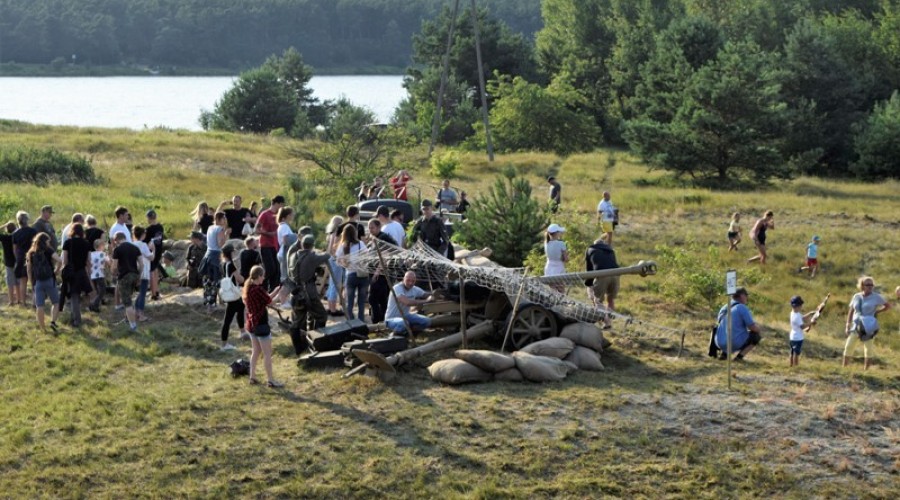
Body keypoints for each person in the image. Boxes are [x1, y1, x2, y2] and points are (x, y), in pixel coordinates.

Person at [243, 265, 283, 388]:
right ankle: (271, 380)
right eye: (263, 276)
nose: (264, 278)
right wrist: (280, 293)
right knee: (267, 353)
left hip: (251, 324)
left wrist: (275, 290)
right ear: (258, 276)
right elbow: (271, 301)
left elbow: (265, 299)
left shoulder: (248, 287)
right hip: (261, 324)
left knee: (255, 351)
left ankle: (252, 377)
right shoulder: (258, 289)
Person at [843, 277, 892, 370]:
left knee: (868, 348)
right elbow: (851, 310)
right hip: (856, 325)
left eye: (871, 285)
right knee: (849, 346)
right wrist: (847, 324)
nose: (870, 287)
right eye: (867, 285)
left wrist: (877, 312)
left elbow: (887, 306)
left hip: (867, 326)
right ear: (862, 286)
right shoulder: (856, 296)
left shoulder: (876, 297)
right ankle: (845, 367)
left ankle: (866, 370)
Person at [287, 234, 331, 333]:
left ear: (302, 245)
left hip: (295, 292)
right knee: (322, 316)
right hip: (308, 292)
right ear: (312, 246)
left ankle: (300, 345)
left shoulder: (293, 255)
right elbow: (327, 256)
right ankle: (316, 338)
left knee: (299, 320)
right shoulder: (311, 256)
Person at [714, 287, 761, 361]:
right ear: (742, 296)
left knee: (729, 332)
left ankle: (724, 354)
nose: (747, 298)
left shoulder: (724, 307)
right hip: (733, 342)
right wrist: (759, 329)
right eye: (746, 295)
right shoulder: (742, 307)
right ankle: (739, 358)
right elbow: (752, 327)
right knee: (756, 336)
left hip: (719, 342)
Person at [26, 233, 61, 331]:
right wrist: (57, 271)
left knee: (39, 305)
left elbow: (28, 269)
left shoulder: (31, 252)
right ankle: (53, 322)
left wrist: (30, 281)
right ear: (45, 241)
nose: (49, 243)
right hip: (50, 279)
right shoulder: (48, 250)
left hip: (38, 282)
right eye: (48, 241)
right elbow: (60, 260)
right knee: (56, 302)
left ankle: (42, 328)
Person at [60, 223, 93, 328]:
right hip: (82, 271)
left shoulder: (67, 243)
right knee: (84, 294)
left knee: (74, 296)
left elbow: (64, 260)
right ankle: (77, 314)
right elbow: (88, 261)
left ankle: (76, 320)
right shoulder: (86, 243)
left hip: (72, 272)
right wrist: (89, 272)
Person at [335, 224, 369, 321]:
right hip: (362, 275)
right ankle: (361, 321)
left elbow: (337, 261)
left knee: (349, 302)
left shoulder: (343, 245)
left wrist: (346, 265)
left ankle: (351, 320)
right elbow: (367, 256)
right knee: (361, 302)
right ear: (354, 233)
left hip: (350, 275)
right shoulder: (360, 244)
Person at [366, 219, 397, 323]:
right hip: (377, 272)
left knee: (373, 298)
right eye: (369, 227)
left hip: (381, 273)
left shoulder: (383, 238)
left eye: (372, 227)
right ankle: (382, 319)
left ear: (379, 227)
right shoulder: (375, 238)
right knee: (381, 298)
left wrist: (377, 271)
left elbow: (385, 255)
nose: (370, 230)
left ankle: (377, 320)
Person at [111, 231, 143, 331]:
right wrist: (139, 276)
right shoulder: (135, 248)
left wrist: (113, 273)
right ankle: (127, 320)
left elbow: (114, 266)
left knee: (127, 303)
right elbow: (141, 264)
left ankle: (133, 327)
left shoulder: (117, 249)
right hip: (134, 275)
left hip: (124, 276)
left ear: (116, 240)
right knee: (129, 298)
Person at [584, 237, 619, 329]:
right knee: (610, 299)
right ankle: (609, 320)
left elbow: (589, 269)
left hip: (603, 275)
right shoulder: (611, 250)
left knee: (598, 300)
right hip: (616, 274)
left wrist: (589, 284)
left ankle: (607, 322)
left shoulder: (590, 250)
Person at [385, 271, 433, 336]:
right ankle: (395, 335)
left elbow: (426, 294)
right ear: (403, 279)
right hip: (392, 318)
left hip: (406, 316)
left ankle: (411, 333)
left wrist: (433, 295)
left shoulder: (415, 289)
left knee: (427, 321)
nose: (410, 283)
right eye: (408, 280)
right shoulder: (397, 288)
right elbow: (407, 302)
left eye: (413, 281)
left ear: (415, 281)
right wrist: (426, 301)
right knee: (403, 323)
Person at [220, 244, 248, 350]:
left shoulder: (224, 264)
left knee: (241, 308)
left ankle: (242, 332)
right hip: (233, 294)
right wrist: (246, 279)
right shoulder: (231, 265)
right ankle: (224, 344)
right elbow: (240, 279)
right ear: (230, 253)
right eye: (233, 252)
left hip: (231, 293)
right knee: (227, 320)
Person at [201, 212, 229, 312]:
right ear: (220, 219)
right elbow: (220, 244)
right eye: (224, 219)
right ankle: (212, 305)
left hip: (207, 255)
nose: (225, 221)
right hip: (215, 256)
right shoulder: (220, 229)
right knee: (215, 281)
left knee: (207, 281)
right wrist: (226, 234)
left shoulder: (210, 227)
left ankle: (210, 303)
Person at [255, 195, 284, 291]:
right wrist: (268, 233)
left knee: (277, 270)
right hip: (265, 245)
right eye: (281, 205)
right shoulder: (265, 214)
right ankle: (258, 286)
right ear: (277, 203)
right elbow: (256, 229)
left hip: (275, 246)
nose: (282, 207)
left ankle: (272, 291)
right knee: (270, 268)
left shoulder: (278, 215)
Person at [12, 211, 38, 307]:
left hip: (20, 258)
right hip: (32, 257)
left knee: (23, 281)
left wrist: (17, 258)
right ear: (27, 220)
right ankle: (35, 301)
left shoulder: (15, 234)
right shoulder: (33, 231)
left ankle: (23, 302)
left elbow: (14, 249)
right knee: (34, 280)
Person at [131, 226, 155, 322]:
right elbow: (151, 258)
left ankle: (136, 312)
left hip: (135, 270)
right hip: (144, 271)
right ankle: (140, 314)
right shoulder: (143, 245)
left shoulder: (132, 244)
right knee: (143, 293)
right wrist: (153, 249)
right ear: (143, 235)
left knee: (140, 293)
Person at [324, 215, 345, 316]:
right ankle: (333, 309)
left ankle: (330, 307)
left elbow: (329, 249)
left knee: (332, 283)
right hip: (336, 259)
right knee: (335, 284)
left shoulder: (331, 233)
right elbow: (334, 249)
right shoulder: (338, 234)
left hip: (331, 259)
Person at [788, 296, 816, 367]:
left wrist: (810, 314)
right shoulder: (796, 316)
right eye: (800, 305)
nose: (801, 307)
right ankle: (795, 366)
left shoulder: (794, 313)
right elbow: (802, 326)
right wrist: (811, 323)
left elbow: (802, 317)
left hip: (793, 336)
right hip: (797, 337)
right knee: (796, 353)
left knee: (792, 352)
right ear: (798, 306)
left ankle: (791, 365)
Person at [144, 210, 165, 300]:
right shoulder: (160, 227)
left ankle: (154, 294)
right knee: (155, 271)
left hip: (152, 252)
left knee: (152, 273)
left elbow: (145, 242)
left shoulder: (148, 230)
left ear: (149, 218)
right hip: (159, 251)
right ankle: (156, 291)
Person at [543, 224, 569, 293]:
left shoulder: (546, 243)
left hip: (549, 268)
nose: (560, 233)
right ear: (556, 233)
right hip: (558, 268)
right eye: (559, 232)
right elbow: (566, 259)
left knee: (553, 291)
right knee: (561, 291)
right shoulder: (561, 243)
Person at [1, 221, 21, 306]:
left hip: (9, 263)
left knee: (10, 283)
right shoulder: (18, 236)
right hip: (18, 261)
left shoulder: (5, 238)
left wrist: (3, 226)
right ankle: (19, 299)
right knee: (18, 282)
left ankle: (11, 300)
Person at [88, 238, 109, 313]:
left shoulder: (91, 254)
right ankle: (93, 305)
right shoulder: (103, 254)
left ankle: (96, 306)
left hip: (92, 275)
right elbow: (109, 262)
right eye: (103, 245)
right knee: (102, 291)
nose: (104, 246)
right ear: (100, 246)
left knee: (97, 291)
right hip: (100, 274)